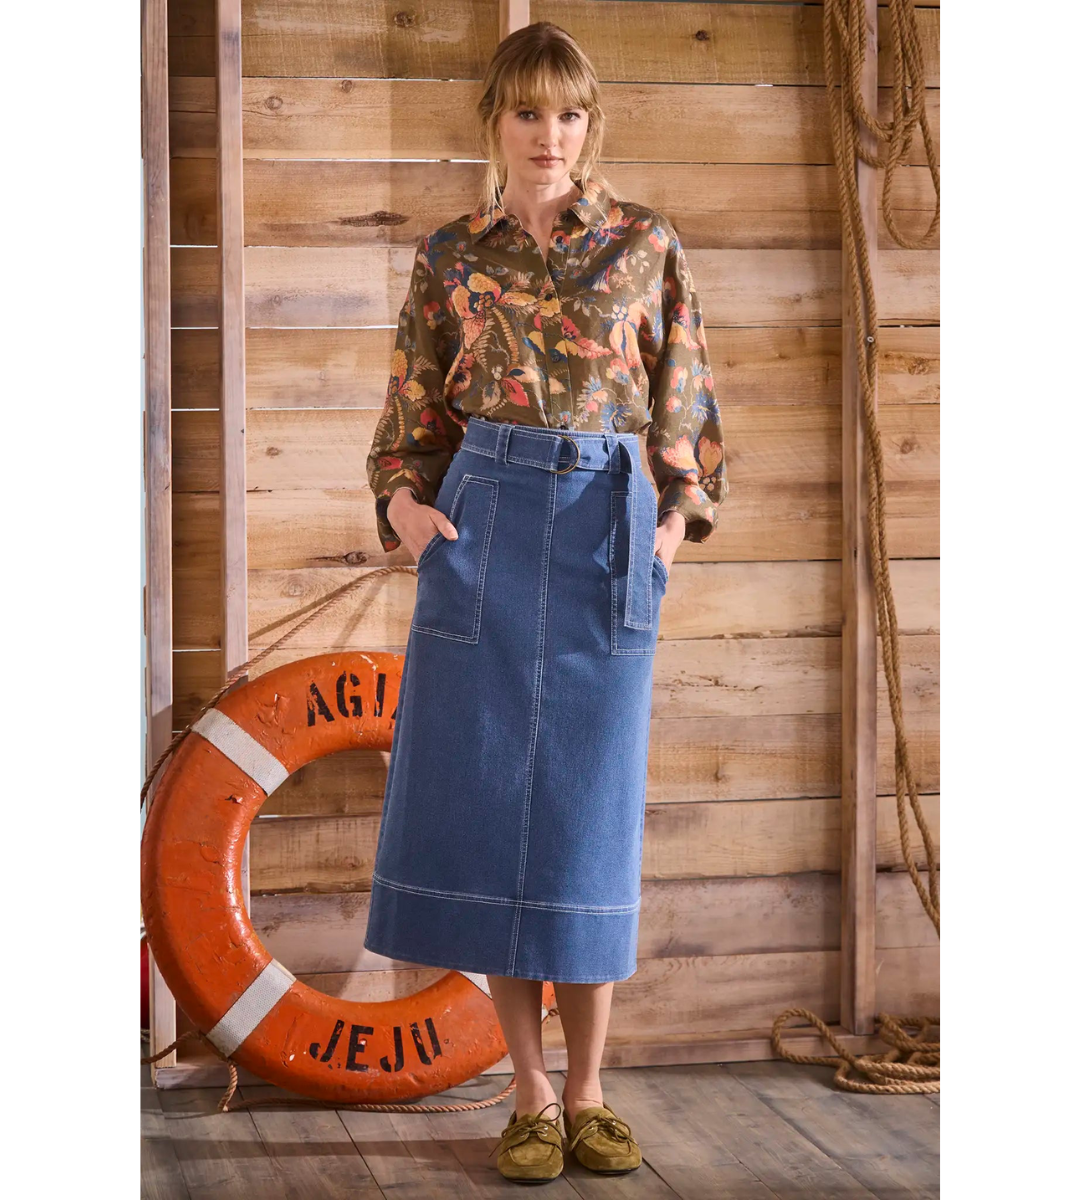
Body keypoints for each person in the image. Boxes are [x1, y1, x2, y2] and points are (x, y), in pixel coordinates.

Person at [364, 21, 727, 1183]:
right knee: (493, 814)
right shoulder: (450, 255)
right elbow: (411, 416)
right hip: (484, 524)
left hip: (608, 529)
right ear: (497, 122)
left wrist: (670, 524)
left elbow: (687, 403)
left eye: (568, 114)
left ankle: (590, 1092)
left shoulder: (646, 246)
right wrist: (407, 509)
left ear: (590, 124)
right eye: (528, 112)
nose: (549, 135)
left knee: (583, 815)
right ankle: (527, 1096)